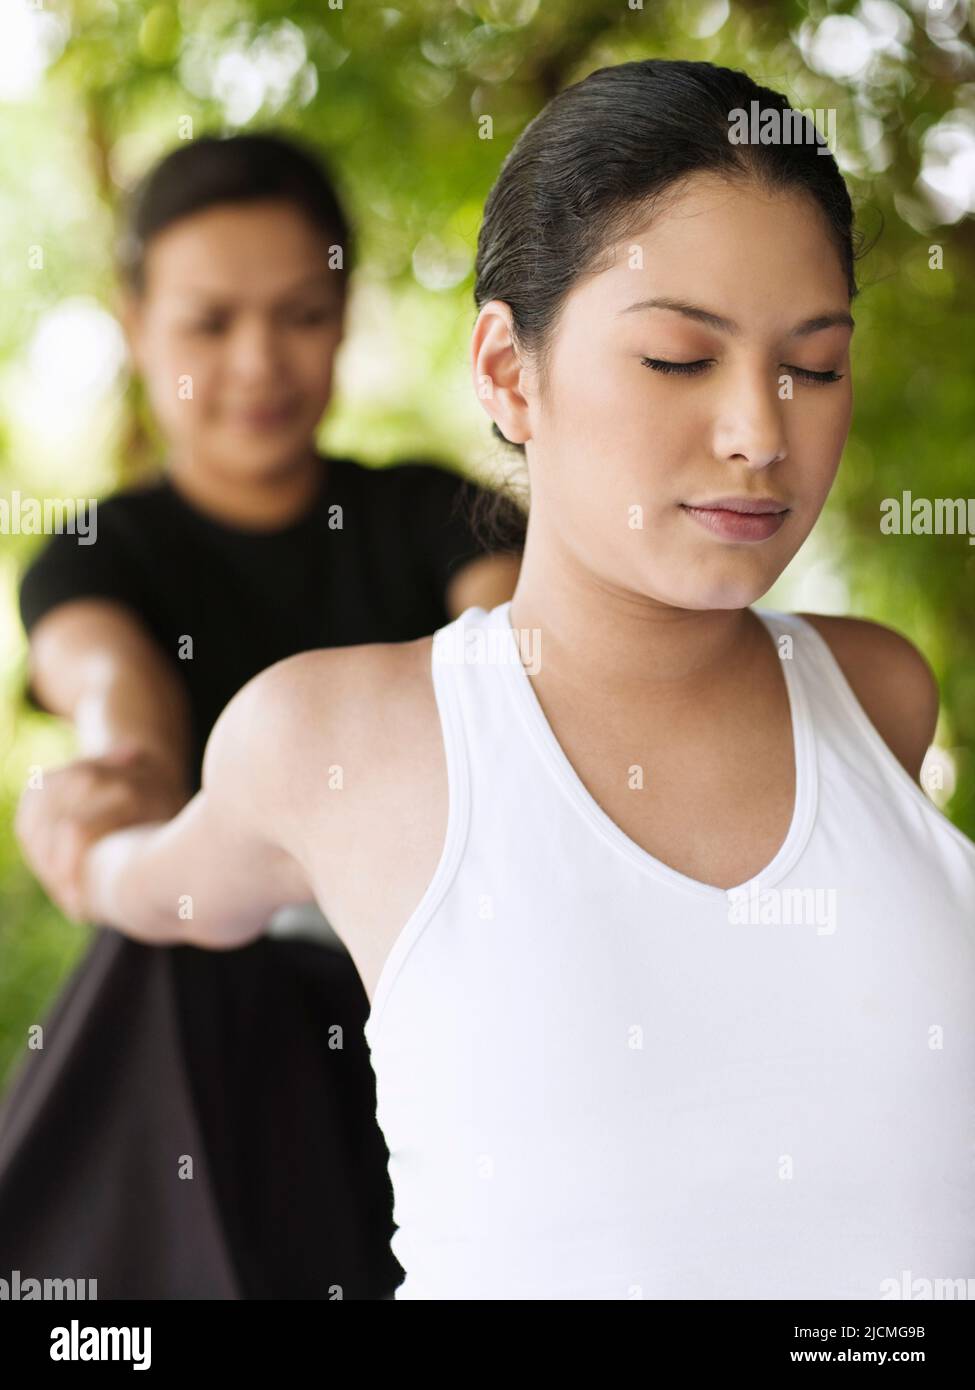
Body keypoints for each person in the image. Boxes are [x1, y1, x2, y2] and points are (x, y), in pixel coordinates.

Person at [17, 59, 975, 1300]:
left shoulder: (877, 694)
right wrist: (94, 831)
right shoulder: (287, 703)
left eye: (818, 363)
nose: (762, 431)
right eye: (681, 358)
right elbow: (127, 729)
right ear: (510, 375)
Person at [0, 132, 520, 1300]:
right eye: (208, 322)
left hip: (442, 983)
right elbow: (113, 690)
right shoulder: (97, 555)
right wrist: (121, 780)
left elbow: (522, 677)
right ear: (133, 324)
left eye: (299, 314)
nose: (257, 361)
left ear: (343, 317)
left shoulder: (438, 517)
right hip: (232, 1025)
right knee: (181, 946)